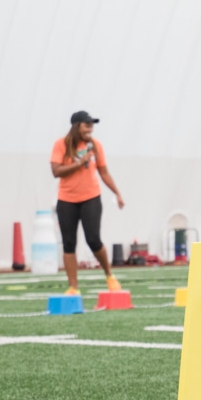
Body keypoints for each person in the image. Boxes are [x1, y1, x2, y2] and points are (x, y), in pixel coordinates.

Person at [50, 110, 125, 297]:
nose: (90, 128)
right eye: (87, 124)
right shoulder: (61, 145)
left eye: (92, 125)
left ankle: (109, 275)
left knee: (93, 239)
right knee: (69, 243)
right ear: (76, 126)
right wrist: (79, 163)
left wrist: (117, 193)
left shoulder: (95, 146)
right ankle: (73, 287)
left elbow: (104, 172)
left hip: (91, 197)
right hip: (67, 199)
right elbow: (56, 171)